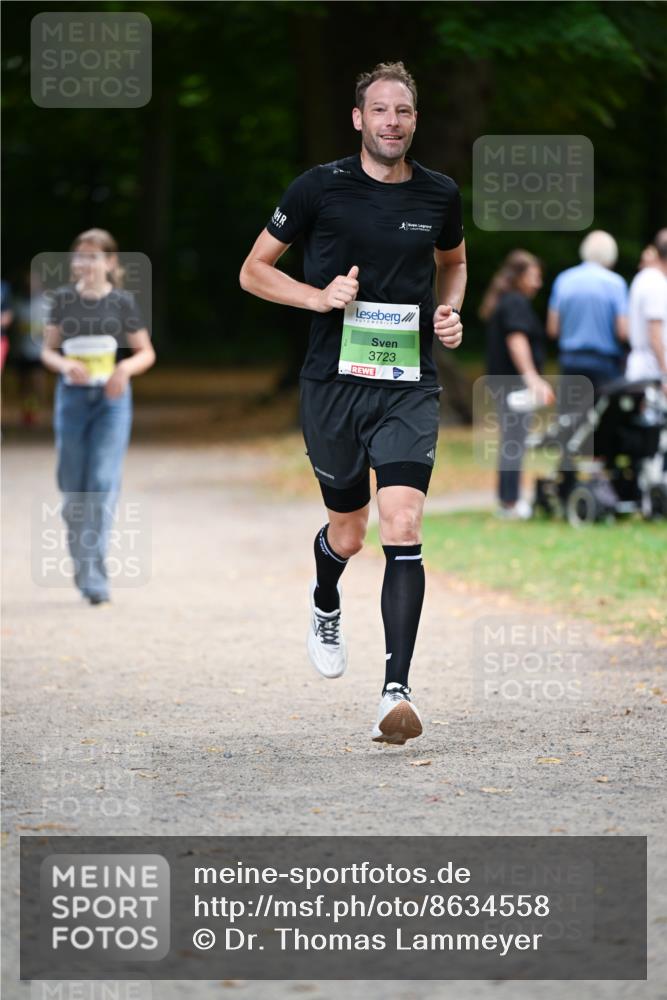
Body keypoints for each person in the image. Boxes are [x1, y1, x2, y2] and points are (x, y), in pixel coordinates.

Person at [240, 61, 466, 744]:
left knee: (402, 523)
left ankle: (395, 691)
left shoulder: (438, 193)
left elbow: (451, 262)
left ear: (413, 121)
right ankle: (325, 597)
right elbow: (253, 271)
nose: (391, 122)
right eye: (379, 110)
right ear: (357, 119)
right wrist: (319, 297)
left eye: (403, 111)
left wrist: (449, 311)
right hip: (332, 385)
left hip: (408, 386)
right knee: (349, 531)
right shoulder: (318, 188)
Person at [41, 228, 156, 605]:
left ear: (109, 262)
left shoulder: (122, 302)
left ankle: (95, 575)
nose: (83, 263)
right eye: (79, 256)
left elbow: (145, 353)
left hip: (112, 401)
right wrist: (64, 364)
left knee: (102, 482)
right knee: (73, 485)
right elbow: (47, 351)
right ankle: (82, 561)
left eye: (92, 256)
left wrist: (124, 371)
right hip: (72, 401)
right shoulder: (62, 300)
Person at [481, 250, 554, 519]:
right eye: (534, 276)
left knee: (513, 441)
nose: (538, 283)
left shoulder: (508, 301)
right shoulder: (514, 303)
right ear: (519, 276)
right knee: (514, 441)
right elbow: (517, 340)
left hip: (507, 384)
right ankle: (510, 503)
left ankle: (509, 500)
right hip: (513, 385)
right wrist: (532, 377)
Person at [546, 230, 628, 397]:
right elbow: (623, 332)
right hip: (604, 363)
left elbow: (553, 329)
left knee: (570, 420)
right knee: (604, 420)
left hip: (570, 361)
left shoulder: (564, 279)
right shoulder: (616, 283)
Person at [625, 228, 667, 383]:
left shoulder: (644, 277)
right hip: (652, 370)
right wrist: (664, 374)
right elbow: (655, 334)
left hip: (645, 366)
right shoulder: (656, 283)